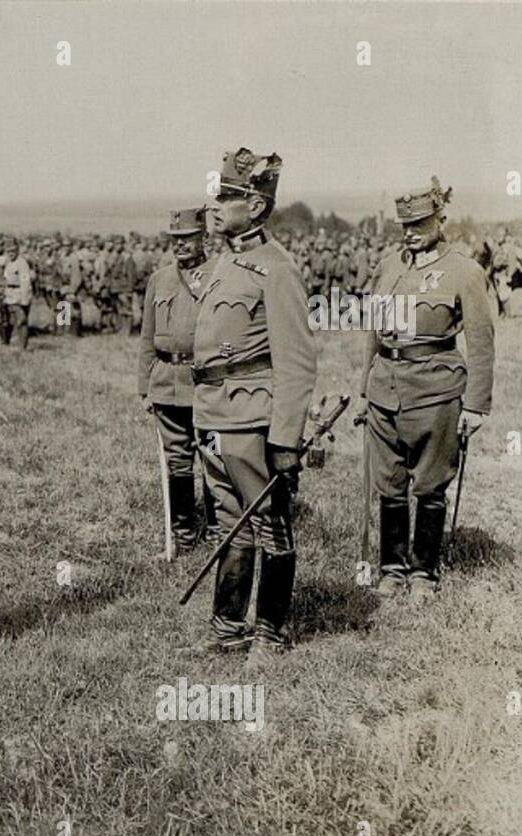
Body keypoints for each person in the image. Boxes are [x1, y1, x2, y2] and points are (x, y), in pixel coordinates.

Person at [187, 147, 317, 660]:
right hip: (214, 413)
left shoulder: (276, 270)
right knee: (227, 521)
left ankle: (269, 631)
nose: (214, 204)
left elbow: (297, 361)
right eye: (215, 193)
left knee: (268, 523)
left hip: (252, 420)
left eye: (228, 196)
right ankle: (227, 630)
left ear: (257, 207)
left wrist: (285, 440)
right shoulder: (225, 261)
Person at [359, 177, 494, 597]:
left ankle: (423, 573)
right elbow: (373, 334)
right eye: (406, 225)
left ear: (441, 219)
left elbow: (481, 339)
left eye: (420, 222)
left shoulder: (464, 270)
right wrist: (364, 389)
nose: (412, 232)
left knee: (430, 483)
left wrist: (475, 405)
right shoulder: (389, 266)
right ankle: (392, 570)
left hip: (435, 390)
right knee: (389, 482)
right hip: (385, 388)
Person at [138, 207, 220, 552]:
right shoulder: (160, 279)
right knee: (177, 461)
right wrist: (144, 386)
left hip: (205, 383)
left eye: (188, 238)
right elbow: (147, 336)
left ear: (203, 237)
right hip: (166, 383)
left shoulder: (219, 273)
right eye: (176, 239)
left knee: (215, 457)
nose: (181, 245)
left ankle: (219, 532)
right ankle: (183, 534)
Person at [1, 237, 34, 348]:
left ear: (17, 251)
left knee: (21, 321)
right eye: (8, 251)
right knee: (12, 321)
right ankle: (15, 342)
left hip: (19, 294)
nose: (11, 253)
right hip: (10, 295)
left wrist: (24, 299)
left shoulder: (22, 263)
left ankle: (22, 346)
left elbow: (25, 282)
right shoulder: (9, 263)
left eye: (13, 251)